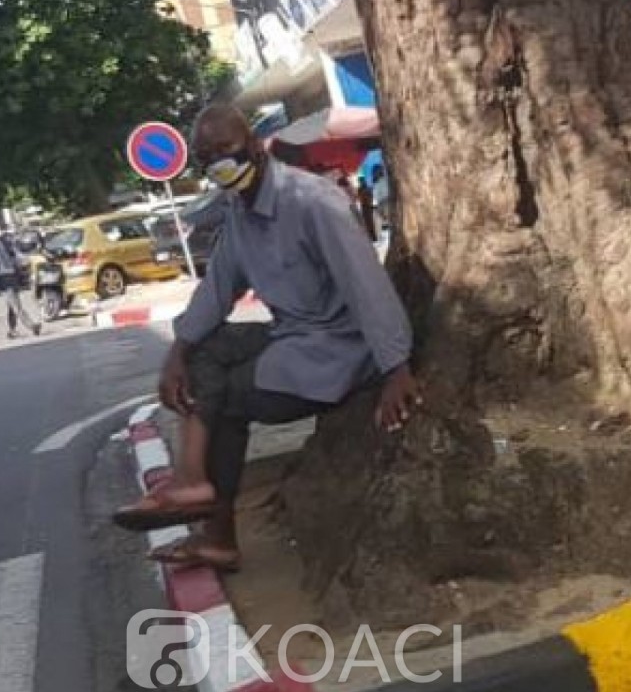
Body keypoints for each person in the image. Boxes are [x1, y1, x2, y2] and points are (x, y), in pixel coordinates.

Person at [112, 105, 422, 571]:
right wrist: (176, 353)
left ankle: (214, 529)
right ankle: (192, 482)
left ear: (256, 146)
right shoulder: (239, 214)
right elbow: (217, 290)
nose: (219, 163)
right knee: (203, 356)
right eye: (207, 157)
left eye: (226, 150)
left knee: (225, 400)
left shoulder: (312, 201)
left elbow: (366, 285)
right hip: (288, 336)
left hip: (335, 350)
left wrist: (396, 368)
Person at [0, 233, 42, 339]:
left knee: (12, 307)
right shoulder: (3, 255)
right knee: (16, 307)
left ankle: (12, 331)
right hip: (9, 282)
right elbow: (22, 262)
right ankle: (32, 325)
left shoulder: (6, 253)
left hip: (8, 282)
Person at [355, 177, 377, 241]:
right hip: (366, 206)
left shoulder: (363, 189)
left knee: (369, 222)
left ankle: (373, 236)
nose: (361, 182)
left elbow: (360, 198)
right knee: (369, 222)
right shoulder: (364, 189)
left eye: (361, 181)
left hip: (366, 206)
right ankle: (373, 236)